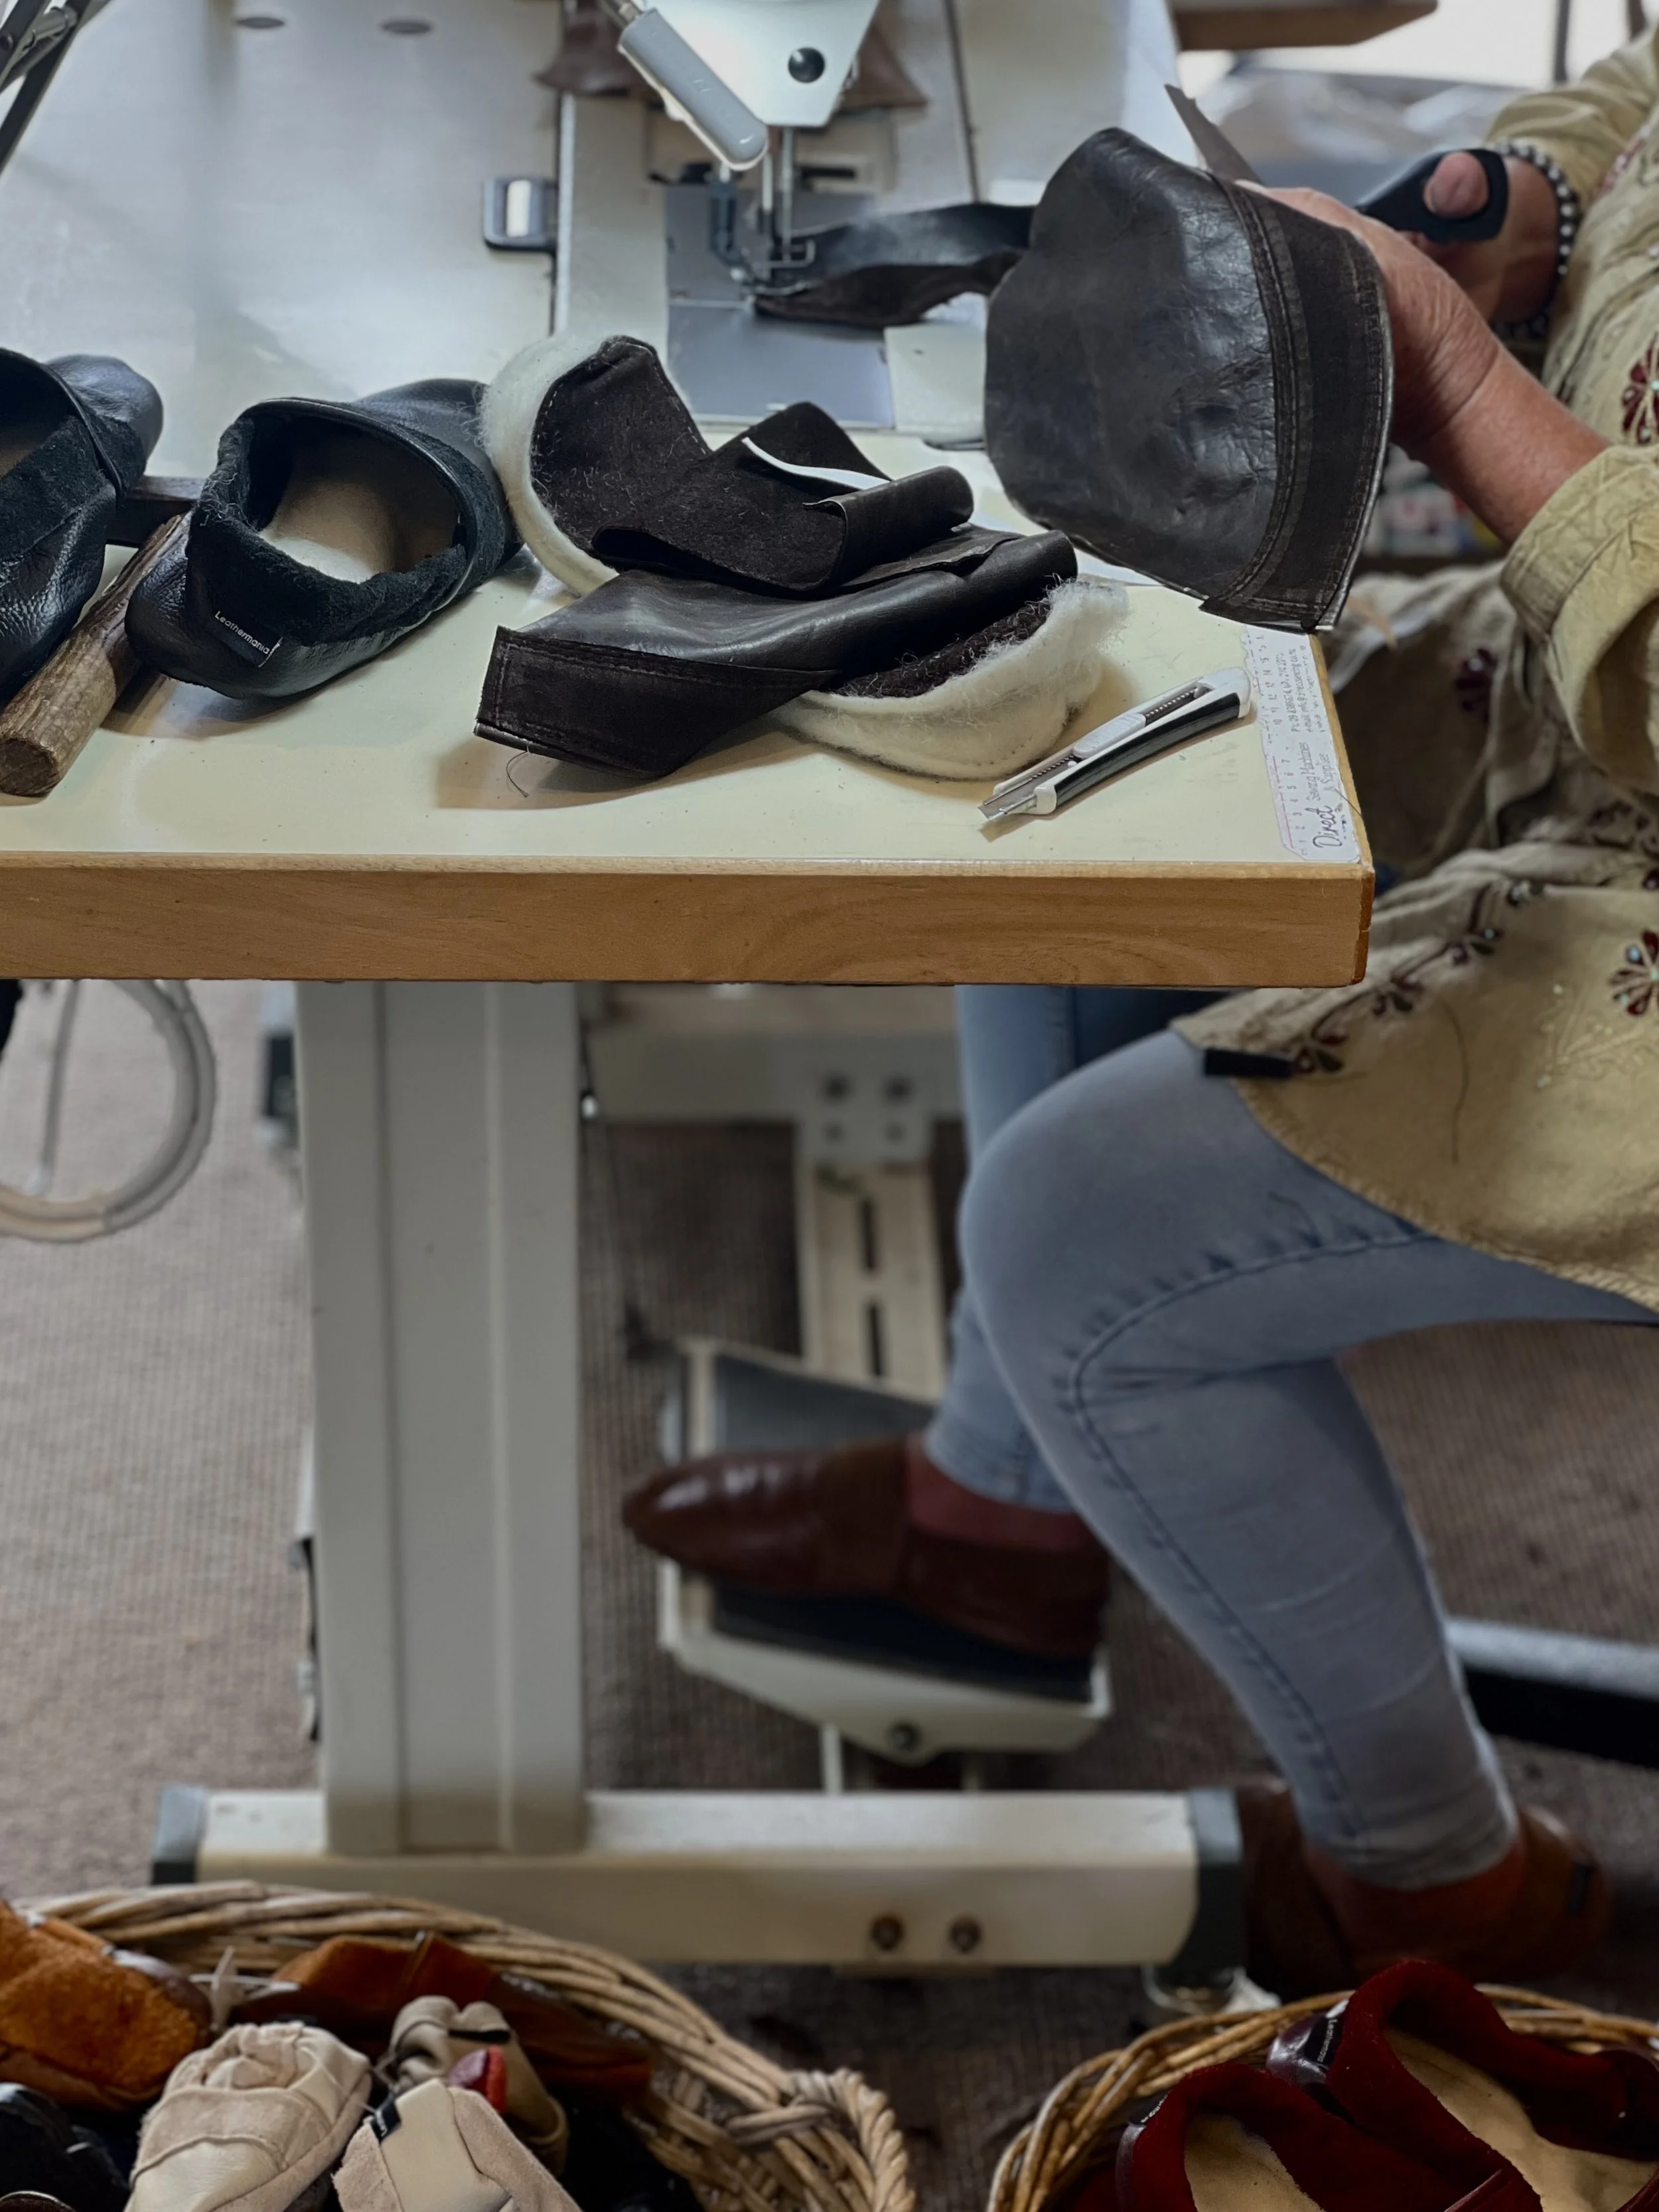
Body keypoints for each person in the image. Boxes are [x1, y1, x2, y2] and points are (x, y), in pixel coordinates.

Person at [627, 33, 1659, 1996]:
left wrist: (1448, 375)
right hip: (1566, 715)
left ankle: (1437, 1883)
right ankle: (995, 1513)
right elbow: (1633, 94)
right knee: (1090, 766)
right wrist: (1509, 200)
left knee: (1071, 1231)